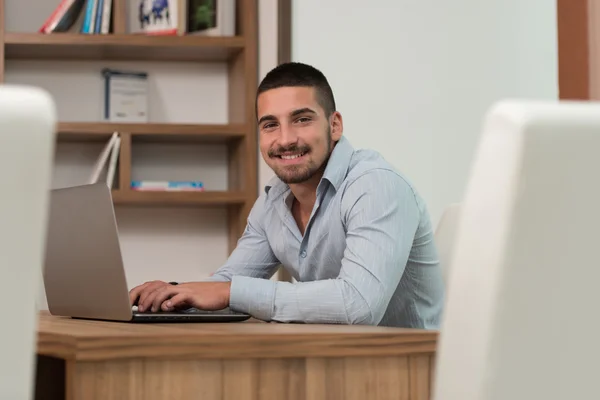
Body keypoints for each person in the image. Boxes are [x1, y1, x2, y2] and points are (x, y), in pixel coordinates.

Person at [129, 62, 445, 328]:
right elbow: (225, 285)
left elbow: (359, 305)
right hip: (331, 361)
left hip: (411, 371)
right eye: (270, 125)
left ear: (334, 126)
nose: (285, 139)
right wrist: (170, 295)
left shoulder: (376, 185)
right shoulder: (273, 201)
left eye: (302, 119)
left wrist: (229, 292)